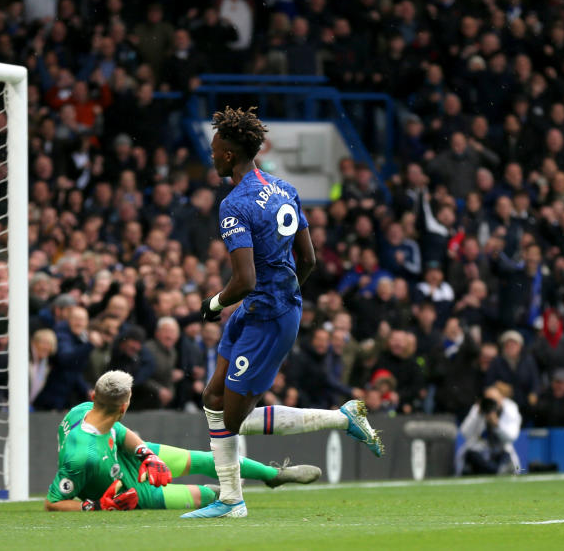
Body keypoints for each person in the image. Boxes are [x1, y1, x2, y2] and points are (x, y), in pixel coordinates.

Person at [184, 107, 383, 519]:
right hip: (271, 309)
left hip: (266, 316)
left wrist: (213, 304)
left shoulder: (234, 205)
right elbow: (307, 259)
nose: (212, 156)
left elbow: (243, 281)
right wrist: (285, 295)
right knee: (212, 399)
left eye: (216, 149)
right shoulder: (283, 188)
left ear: (229, 155)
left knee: (232, 419)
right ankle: (230, 499)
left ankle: (341, 418)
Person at [44, 371, 321, 512]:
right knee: (205, 495)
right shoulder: (81, 456)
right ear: (124, 407)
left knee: (206, 459)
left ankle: (274, 475)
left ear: (95, 396)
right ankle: (216, 495)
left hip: (129, 457)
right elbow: (53, 502)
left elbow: (117, 431)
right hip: (128, 493)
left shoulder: (84, 409)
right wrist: (96, 506)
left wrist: (144, 453)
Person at [456, 383, 522, 475]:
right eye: (488, 400)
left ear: (501, 399)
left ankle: (498, 470)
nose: (490, 404)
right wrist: (477, 415)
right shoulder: (478, 409)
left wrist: (497, 425)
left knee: (505, 457)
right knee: (473, 455)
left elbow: (512, 437)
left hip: (500, 451)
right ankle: (497, 471)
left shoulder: (510, 408)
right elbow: (464, 433)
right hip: (480, 452)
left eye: (493, 400)